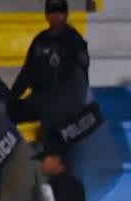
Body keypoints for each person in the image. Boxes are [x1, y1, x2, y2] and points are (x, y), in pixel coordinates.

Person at [9, 0, 92, 146]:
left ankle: (47, 149)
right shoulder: (40, 40)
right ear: (46, 15)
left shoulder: (74, 41)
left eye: (59, 12)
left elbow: (81, 78)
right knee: (6, 112)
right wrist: (11, 98)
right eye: (52, 12)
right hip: (40, 98)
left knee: (52, 126)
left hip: (64, 102)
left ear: (66, 14)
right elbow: (27, 72)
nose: (56, 16)